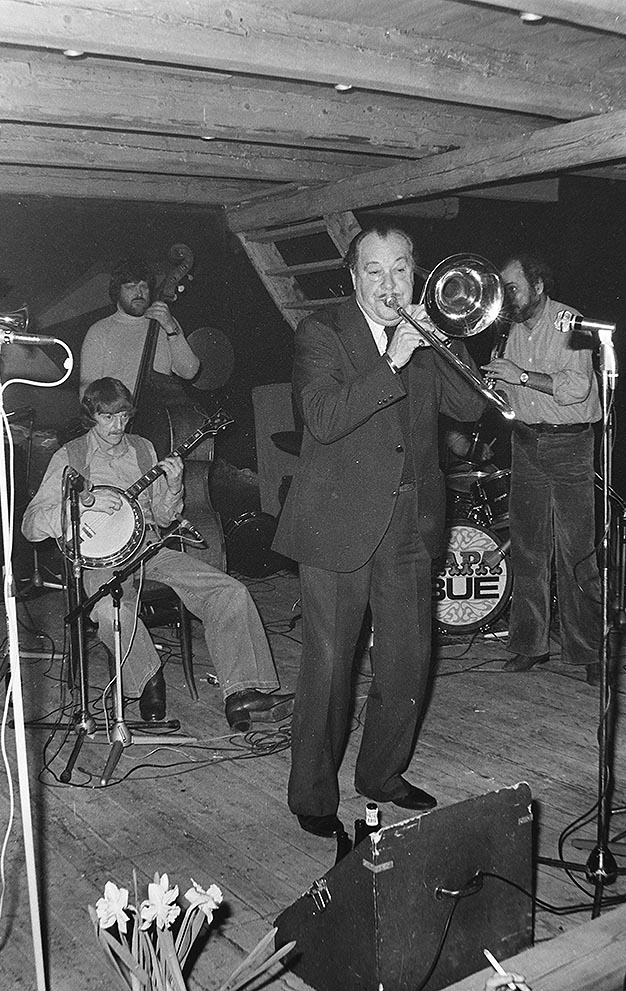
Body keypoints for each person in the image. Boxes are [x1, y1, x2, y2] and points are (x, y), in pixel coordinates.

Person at [272, 223, 486, 837]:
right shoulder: (322, 332)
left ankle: (382, 775)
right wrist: (392, 360)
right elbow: (322, 417)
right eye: (374, 270)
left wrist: (441, 338)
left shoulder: (425, 333)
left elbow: (471, 406)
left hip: (411, 523)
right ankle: (313, 795)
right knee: (330, 667)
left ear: (415, 274)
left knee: (407, 661)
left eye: (400, 270)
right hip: (338, 521)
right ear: (353, 276)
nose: (388, 284)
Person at [21, 377, 294, 730]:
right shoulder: (70, 456)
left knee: (229, 591)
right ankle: (150, 678)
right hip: (101, 561)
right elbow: (31, 526)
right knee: (109, 610)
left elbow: (164, 518)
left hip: (150, 549)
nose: (117, 426)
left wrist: (174, 486)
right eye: (107, 418)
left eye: (123, 416)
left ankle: (243, 693)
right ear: (91, 416)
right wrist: (83, 503)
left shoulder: (142, 449)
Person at [482, 252, 602, 686]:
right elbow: (512, 391)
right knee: (528, 549)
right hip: (526, 442)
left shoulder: (571, 321)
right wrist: (496, 385)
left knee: (577, 553)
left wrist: (519, 376)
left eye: (512, 288)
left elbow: (576, 387)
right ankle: (529, 645)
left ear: (538, 287)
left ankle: (589, 650)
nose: (505, 296)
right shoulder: (510, 329)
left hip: (570, 444)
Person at [79, 255, 200, 397]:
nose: (139, 293)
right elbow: (87, 394)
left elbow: (190, 371)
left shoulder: (165, 323)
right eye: (130, 287)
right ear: (117, 291)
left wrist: (171, 328)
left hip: (156, 410)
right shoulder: (99, 331)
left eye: (144, 286)